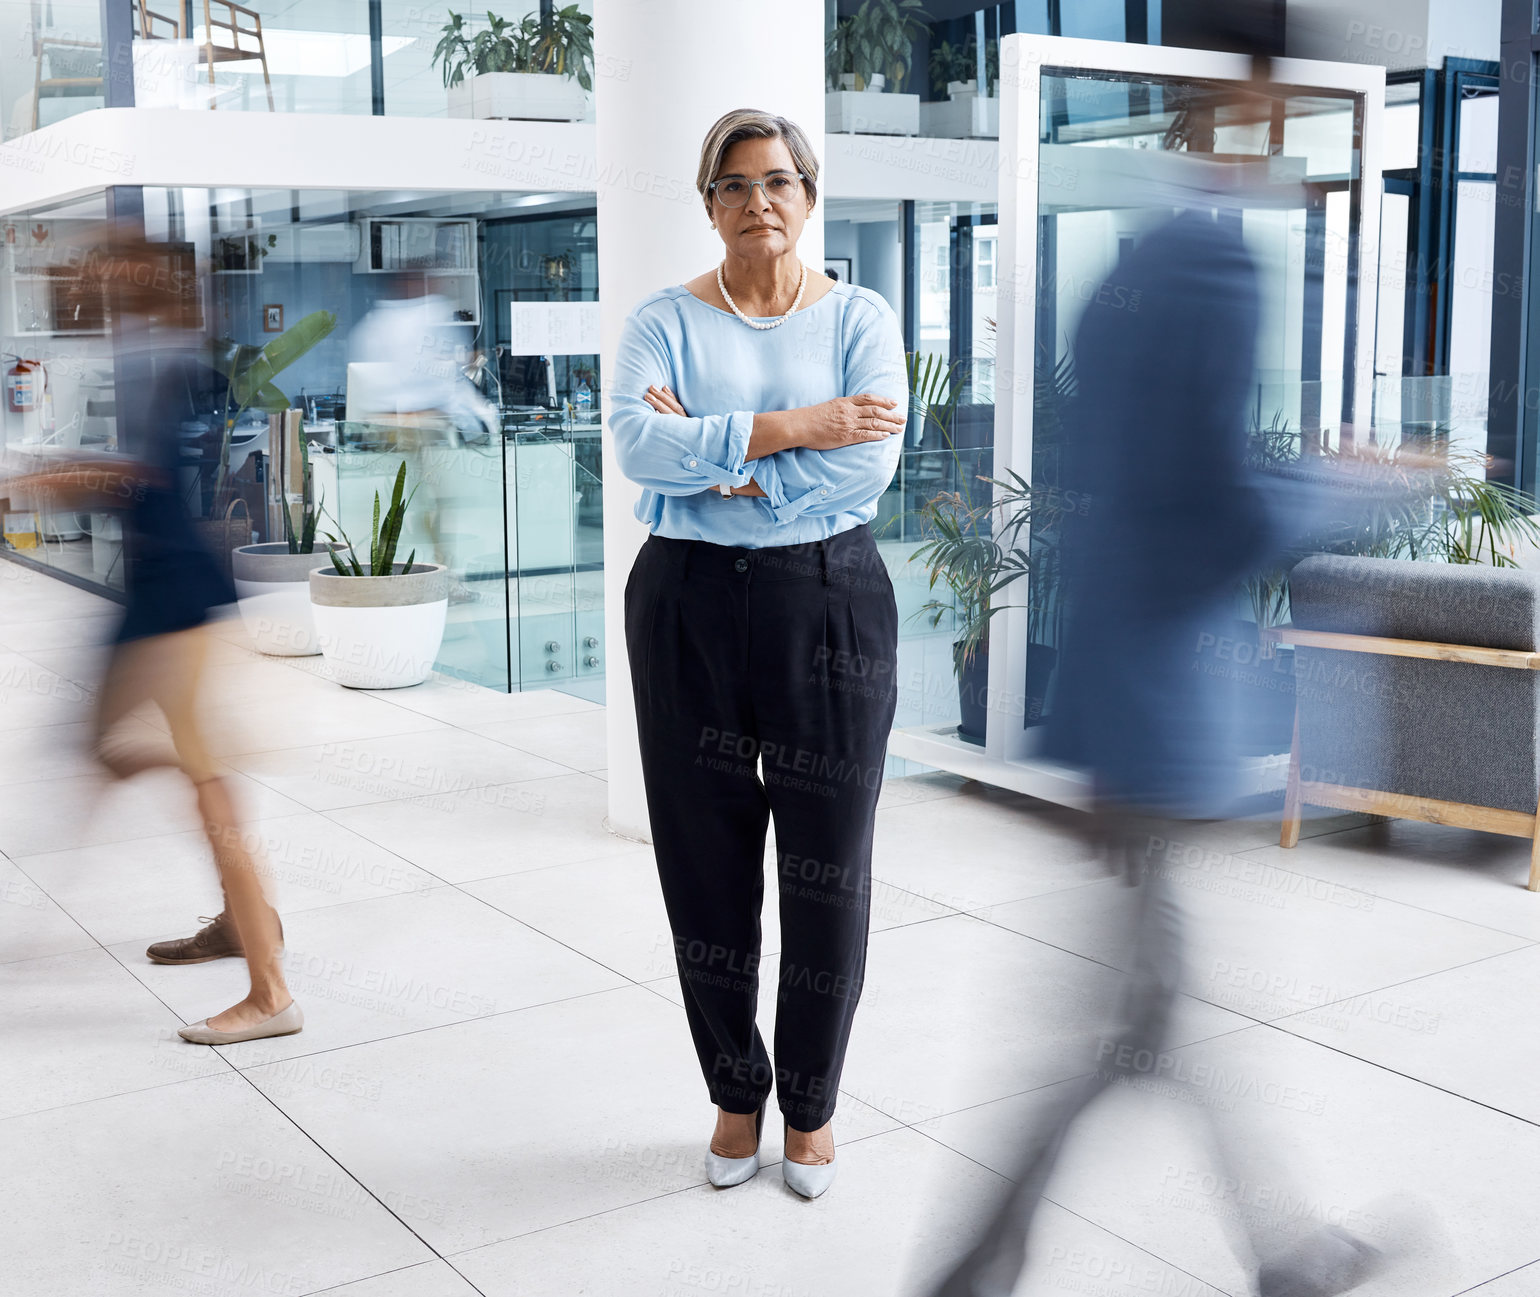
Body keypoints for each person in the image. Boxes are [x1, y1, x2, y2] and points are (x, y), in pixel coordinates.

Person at [925, 8, 1418, 1292]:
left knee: (1148, 1021)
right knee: (1133, 1024)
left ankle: (1222, 1252)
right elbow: (1218, 517)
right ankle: (992, 1263)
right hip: (1158, 714)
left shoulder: (1132, 265)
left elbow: (1128, 503)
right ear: (1251, 91)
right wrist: (1352, 487)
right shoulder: (1213, 269)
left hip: (1119, 703)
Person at [609, 107, 909, 1198]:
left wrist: (720, 455)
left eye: (776, 180)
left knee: (829, 863)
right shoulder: (663, 320)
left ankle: (813, 1106)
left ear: (806, 194)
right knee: (705, 861)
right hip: (684, 598)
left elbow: (867, 467)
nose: (757, 202)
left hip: (826, 599)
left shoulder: (860, 317)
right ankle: (737, 1092)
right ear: (708, 204)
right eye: (734, 186)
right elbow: (638, 442)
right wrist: (791, 430)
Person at [5, 229, 300, 1045]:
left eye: (116, 265)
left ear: (157, 282)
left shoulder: (167, 357)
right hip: (153, 599)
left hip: (178, 604)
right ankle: (245, 919)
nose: (98, 274)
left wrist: (31, 484)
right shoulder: (144, 350)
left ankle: (270, 991)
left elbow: (139, 480)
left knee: (208, 785)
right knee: (104, 749)